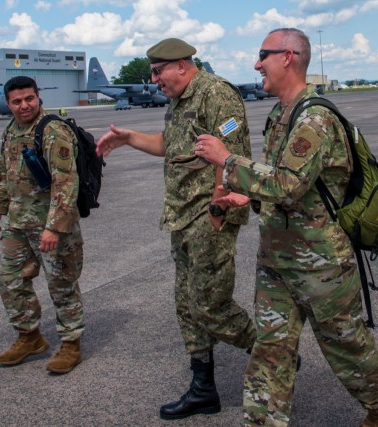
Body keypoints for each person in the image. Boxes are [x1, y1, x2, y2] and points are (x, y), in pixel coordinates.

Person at [194, 28, 378, 427]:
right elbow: (282, 183)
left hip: (320, 265)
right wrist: (246, 197)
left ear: (287, 57)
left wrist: (227, 161)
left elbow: (288, 184)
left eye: (263, 55)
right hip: (277, 262)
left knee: (347, 347)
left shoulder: (315, 119)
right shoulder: (280, 115)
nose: (257, 64)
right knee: (270, 351)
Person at [96, 38, 257, 420]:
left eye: (158, 72)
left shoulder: (217, 95)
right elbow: (173, 144)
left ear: (182, 66)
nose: (154, 80)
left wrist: (218, 207)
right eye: (152, 73)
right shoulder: (180, 100)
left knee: (211, 306)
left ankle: (274, 353)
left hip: (208, 214)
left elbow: (231, 156)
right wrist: (129, 138)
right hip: (181, 215)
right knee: (187, 305)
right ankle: (203, 389)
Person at [0, 76, 85, 375]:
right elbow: (4, 171)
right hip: (18, 222)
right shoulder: (11, 130)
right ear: (8, 104)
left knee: (61, 283)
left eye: (29, 98)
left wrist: (54, 227)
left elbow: (66, 182)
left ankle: (71, 342)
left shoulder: (52, 130)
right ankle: (29, 336)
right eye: (17, 101)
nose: (24, 105)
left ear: (38, 97)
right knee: (10, 279)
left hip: (51, 223)